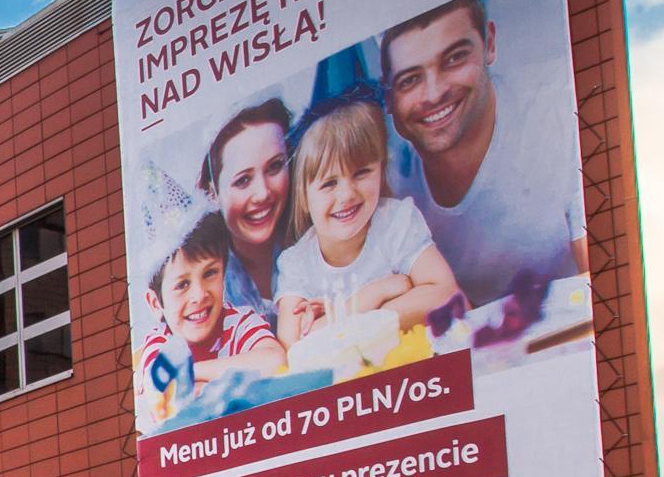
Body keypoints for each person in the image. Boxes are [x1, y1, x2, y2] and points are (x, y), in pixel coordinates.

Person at [380, 0, 587, 300]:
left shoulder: (559, 117)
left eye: (454, 59)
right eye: (410, 80)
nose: (434, 94)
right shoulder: (383, 175)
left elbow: (608, 287)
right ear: (388, 98)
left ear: (489, 43)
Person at [274, 96, 461, 344]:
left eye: (361, 173)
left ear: (380, 171)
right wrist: (372, 295)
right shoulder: (296, 262)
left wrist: (338, 322)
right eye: (329, 183)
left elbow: (446, 295)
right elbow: (293, 343)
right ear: (304, 200)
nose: (347, 194)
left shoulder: (395, 221)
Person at [138, 212, 281, 392]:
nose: (199, 295)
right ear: (156, 304)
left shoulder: (239, 322)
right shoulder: (161, 341)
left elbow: (275, 362)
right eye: (182, 285)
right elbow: (162, 387)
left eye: (210, 273)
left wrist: (189, 372)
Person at [194, 99, 294, 318]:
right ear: (213, 193)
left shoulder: (319, 239)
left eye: (275, 166)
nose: (263, 193)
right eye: (242, 180)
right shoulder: (201, 285)